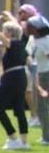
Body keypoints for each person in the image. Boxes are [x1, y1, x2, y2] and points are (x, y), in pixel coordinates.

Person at [0, 16, 31, 150]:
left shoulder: (13, 43)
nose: (3, 33)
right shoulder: (22, 45)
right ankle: (24, 141)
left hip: (11, 78)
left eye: (4, 31)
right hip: (21, 77)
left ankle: (13, 138)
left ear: (10, 33)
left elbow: (3, 39)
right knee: (19, 109)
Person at [29, 15, 49, 145]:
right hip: (39, 74)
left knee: (42, 107)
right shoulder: (34, 40)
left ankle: (47, 137)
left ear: (35, 29)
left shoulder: (45, 42)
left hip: (45, 75)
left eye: (29, 26)